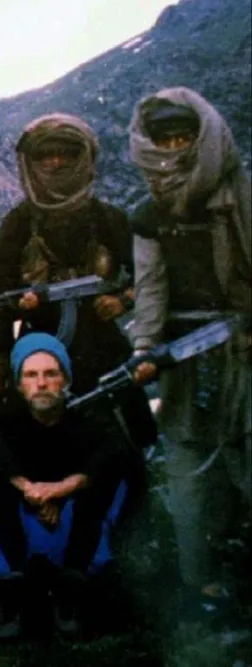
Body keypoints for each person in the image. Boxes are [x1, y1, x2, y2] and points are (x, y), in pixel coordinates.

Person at [128, 87, 251, 622]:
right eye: (166, 141)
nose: (175, 150)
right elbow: (150, 288)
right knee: (186, 468)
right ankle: (197, 580)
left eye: (184, 139)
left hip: (243, 346)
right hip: (182, 353)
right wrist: (144, 349)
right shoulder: (149, 214)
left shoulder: (238, 198)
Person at [0, 113, 156, 452]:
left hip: (103, 345)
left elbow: (149, 277)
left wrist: (122, 301)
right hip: (39, 348)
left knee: (129, 440)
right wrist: (3, 356)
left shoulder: (107, 219)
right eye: (46, 155)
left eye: (66, 154)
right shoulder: (19, 223)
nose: (56, 162)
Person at [0, 333, 130, 640]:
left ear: (65, 380)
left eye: (50, 374)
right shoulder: (5, 420)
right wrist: (29, 489)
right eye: (31, 375)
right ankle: (9, 584)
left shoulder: (85, 417)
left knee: (113, 469)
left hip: (69, 526)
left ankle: (74, 584)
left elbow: (111, 452)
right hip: (23, 526)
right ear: (19, 384)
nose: (41, 384)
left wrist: (61, 489)